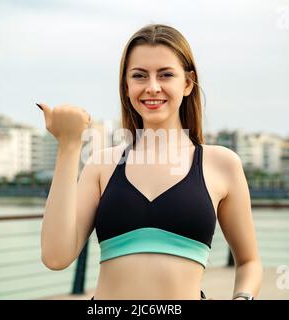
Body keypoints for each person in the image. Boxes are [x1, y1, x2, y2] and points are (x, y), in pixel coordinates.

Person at [38, 24, 262, 300]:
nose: (152, 87)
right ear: (127, 85)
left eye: (166, 75)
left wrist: (242, 298)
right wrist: (69, 146)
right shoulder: (102, 164)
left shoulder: (222, 164)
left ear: (188, 83)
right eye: (140, 76)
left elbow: (250, 262)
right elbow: (55, 256)